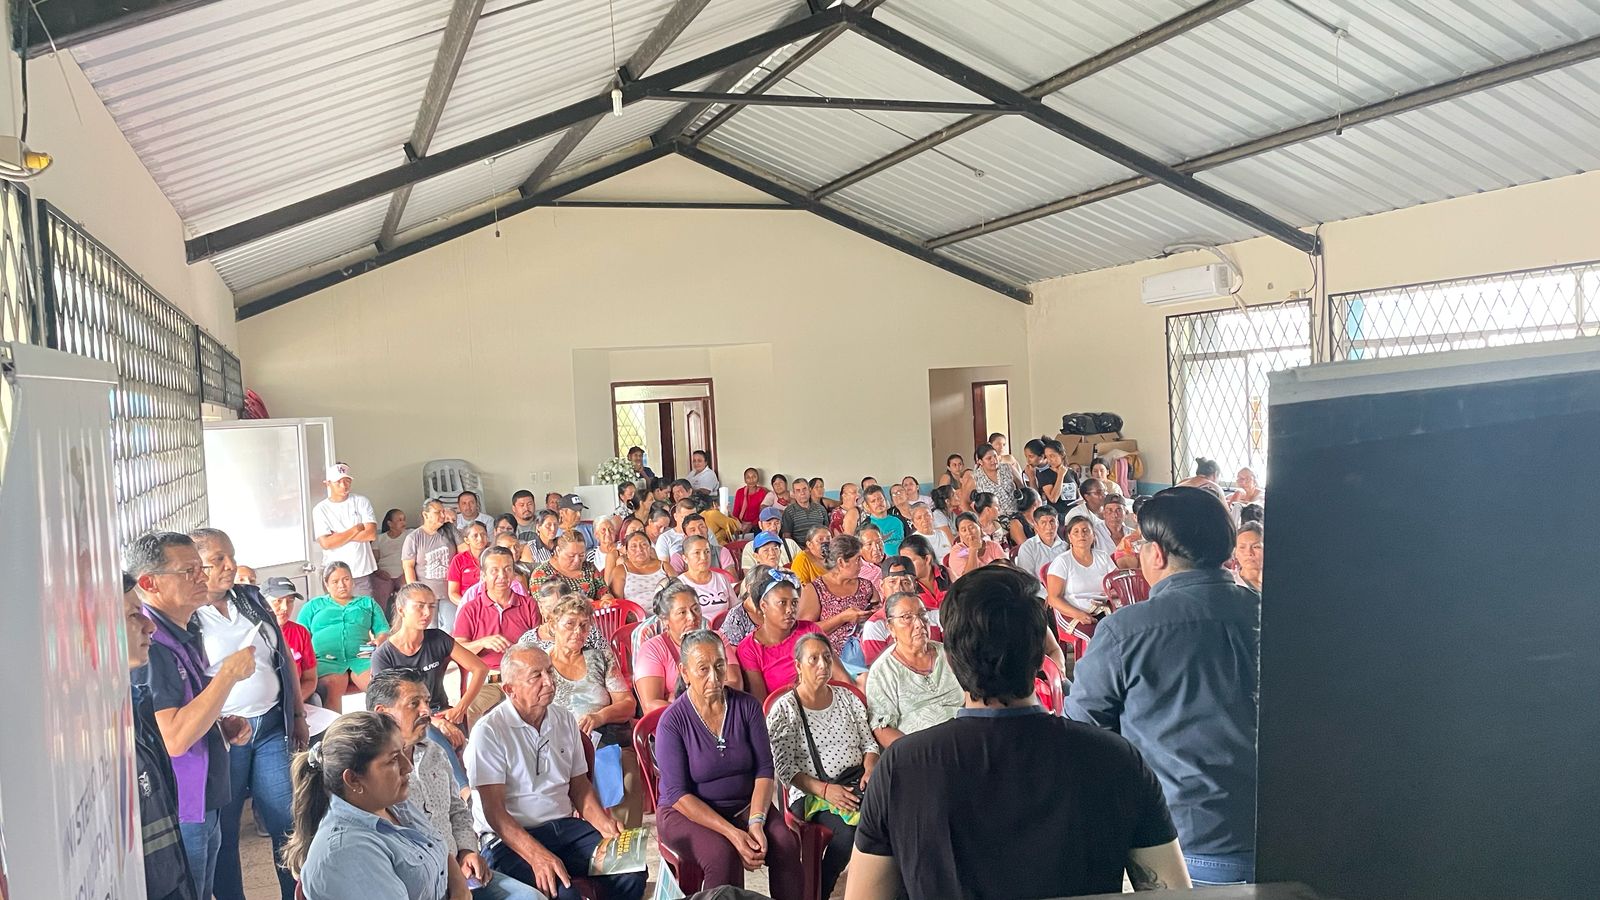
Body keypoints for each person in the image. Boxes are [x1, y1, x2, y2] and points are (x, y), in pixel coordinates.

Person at [846, 565, 1190, 900]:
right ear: (1041, 655)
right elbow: (1170, 889)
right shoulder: (1114, 757)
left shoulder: (901, 769)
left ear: (949, 659)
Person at [1066, 486, 1261, 886]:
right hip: (1282, 833)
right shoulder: (1270, 614)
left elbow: (1080, 735)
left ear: (1156, 554)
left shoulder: (1125, 631)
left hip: (1179, 845)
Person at [128, 532, 255, 899]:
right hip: (182, 804)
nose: (203, 577)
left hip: (206, 798)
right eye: (189, 571)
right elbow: (175, 737)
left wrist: (220, 725)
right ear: (149, 583)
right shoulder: (151, 647)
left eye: (202, 568)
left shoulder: (186, 629)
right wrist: (228, 675)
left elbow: (188, 711)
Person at [468, 645, 646, 900]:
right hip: (510, 840)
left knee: (631, 870)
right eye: (536, 676)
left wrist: (605, 825)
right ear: (510, 689)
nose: (549, 682)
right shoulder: (489, 732)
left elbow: (580, 787)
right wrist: (537, 856)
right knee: (562, 892)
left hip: (564, 827)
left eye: (550, 672)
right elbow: (494, 813)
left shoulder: (564, 719)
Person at [190, 528, 308, 900]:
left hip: (272, 726)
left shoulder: (250, 599)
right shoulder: (189, 616)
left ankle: (295, 894)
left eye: (231, 556)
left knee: (286, 823)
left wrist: (298, 713)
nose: (230, 565)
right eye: (218, 559)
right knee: (224, 833)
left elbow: (282, 655)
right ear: (195, 567)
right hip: (224, 737)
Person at [366, 670, 542, 900]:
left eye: (427, 702)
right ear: (383, 713)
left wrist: (468, 851)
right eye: (414, 703)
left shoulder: (435, 752)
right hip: (418, 886)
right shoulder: (370, 773)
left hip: (461, 870)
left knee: (531, 898)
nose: (426, 711)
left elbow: (457, 811)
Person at [655, 632, 803, 900]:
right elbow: (678, 794)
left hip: (743, 805)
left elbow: (764, 770)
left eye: (719, 666)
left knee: (785, 843)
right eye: (703, 669)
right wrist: (733, 834)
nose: (714, 677)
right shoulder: (672, 722)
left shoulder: (747, 707)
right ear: (685, 672)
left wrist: (756, 822)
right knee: (722, 854)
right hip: (686, 813)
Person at [281, 712, 467, 900]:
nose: (408, 766)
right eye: (393, 759)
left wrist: (460, 888)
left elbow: (436, 845)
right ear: (353, 779)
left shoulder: (392, 804)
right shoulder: (346, 852)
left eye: (403, 751)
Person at [766, 633, 879, 898]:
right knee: (849, 833)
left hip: (856, 783)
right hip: (812, 794)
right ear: (798, 666)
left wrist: (871, 768)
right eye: (813, 659)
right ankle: (818, 891)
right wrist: (826, 791)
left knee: (892, 816)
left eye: (827, 658)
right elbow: (785, 769)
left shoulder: (847, 698)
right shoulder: (786, 709)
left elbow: (869, 743)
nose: (822, 665)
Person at [519, 596, 642, 826]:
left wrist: (600, 716)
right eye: (570, 624)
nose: (578, 632)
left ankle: (624, 841)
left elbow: (627, 703)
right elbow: (527, 709)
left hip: (602, 740)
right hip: (554, 745)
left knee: (628, 779)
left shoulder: (600, 657)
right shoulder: (540, 665)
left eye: (584, 625)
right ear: (553, 625)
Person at [370, 583, 491, 784]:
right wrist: (433, 721)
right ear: (401, 609)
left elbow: (480, 668)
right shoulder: (383, 655)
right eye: (419, 606)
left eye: (431, 606)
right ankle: (464, 789)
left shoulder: (438, 639)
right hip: (404, 717)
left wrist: (461, 707)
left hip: (442, 711)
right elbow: (388, 704)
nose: (427, 613)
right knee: (432, 731)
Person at [126, 572, 200, 900]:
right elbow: (177, 738)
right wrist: (228, 675)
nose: (149, 626)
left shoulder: (133, 707)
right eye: (133, 615)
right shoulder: (91, 738)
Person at [864, 592, 962, 749]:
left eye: (922, 615)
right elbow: (882, 728)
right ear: (891, 628)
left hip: (967, 739)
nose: (919, 624)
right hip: (920, 752)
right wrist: (915, 754)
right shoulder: (882, 672)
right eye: (907, 617)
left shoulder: (951, 654)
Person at [452, 546, 538, 716]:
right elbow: (457, 650)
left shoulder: (529, 605)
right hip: (487, 679)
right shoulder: (470, 609)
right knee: (471, 708)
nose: (502, 576)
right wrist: (483, 642)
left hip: (522, 677)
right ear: (483, 575)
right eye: (494, 571)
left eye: (507, 569)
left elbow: (539, 645)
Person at [635, 581, 742, 714]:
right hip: (677, 722)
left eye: (695, 609)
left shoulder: (717, 639)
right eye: (682, 612)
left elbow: (735, 683)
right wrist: (698, 707)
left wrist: (682, 698)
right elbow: (650, 705)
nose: (692, 617)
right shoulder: (652, 649)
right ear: (665, 620)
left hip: (719, 715)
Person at [737, 570, 837, 702]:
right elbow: (762, 703)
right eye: (782, 603)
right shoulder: (750, 649)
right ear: (764, 606)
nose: (790, 610)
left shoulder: (811, 630)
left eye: (794, 603)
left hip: (827, 703)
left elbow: (841, 677)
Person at [299, 561, 391, 702]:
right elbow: (300, 635)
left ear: (352, 581)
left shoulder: (367, 603)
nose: (342, 585)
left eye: (346, 579)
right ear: (326, 584)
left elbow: (383, 629)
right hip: (325, 659)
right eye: (335, 581)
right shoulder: (313, 605)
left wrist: (379, 640)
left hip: (362, 656)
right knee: (330, 687)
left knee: (382, 690)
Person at [797, 534, 879, 675]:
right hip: (832, 659)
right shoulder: (816, 589)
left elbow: (877, 611)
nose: (861, 565)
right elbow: (805, 632)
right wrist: (843, 618)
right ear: (841, 562)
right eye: (857, 559)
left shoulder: (866, 586)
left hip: (868, 650)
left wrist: (874, 614)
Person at [313, 462, 379, 597]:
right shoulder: (320, 509)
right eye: (338, 482)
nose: (344, 485)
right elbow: (326, 543)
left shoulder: (361, 501)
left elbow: (371, 534)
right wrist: (355, 529)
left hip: (360, 572)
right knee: (337, 609)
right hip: (334, 574)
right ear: (328, 483)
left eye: (347, 481)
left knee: (362, 608)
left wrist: (337, 536)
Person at [1046, 513, 1119, 626]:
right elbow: (1053, 599)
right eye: (1076, 532)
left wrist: (1115, 592)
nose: (1081, 535)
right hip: (1074, 614)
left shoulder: (1103, 557)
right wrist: (1079, 615)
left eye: (1086, 531)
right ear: (1070, 537)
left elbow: (1118, 582)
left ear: (1093, 535)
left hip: (1104, 609)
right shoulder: (1062, 561)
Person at [404, 499, 462, 630]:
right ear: (425, 515)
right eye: (437, 512)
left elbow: (465, 553)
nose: (442, 515)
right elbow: (408, 567)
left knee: (452, 627)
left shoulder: (450, 530)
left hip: (450, 591)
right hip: (426, 593)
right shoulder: (414, 537)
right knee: (429, 629)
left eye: (443, 512)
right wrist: (415, 592)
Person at [262, 577, 320, 703]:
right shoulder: (254, 633)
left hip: (295, 700)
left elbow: (310, 679)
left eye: (290, 601)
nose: (284, 607)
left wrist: (294, 702)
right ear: (262, 602)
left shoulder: (300, 632)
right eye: (278, 601)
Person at [529, 531, 613, 605]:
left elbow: (603, 590)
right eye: (571, 556)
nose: (577, 560)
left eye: (581, 555)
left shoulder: (589, 568)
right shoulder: (542, 573)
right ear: (558, 551)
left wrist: (606, 597)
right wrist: (581, 604)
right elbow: (544, 605)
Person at [675, 534, 737, 619]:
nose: (704, 557)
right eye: (697, 553)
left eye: (707, 551)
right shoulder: (679, 584)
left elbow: (735, 608)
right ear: (685, 558)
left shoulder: (721, 579)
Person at [1014, 505, 1068, 587]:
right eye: (1043, 523)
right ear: (1036, 525)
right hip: (1039, 591)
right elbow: (1027, 580)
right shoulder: (1028, 548)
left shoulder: (1066, 547)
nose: (1049, 527)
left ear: (1057, 523)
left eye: (1052, 522)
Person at [609, 529, 671, 601]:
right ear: (627, 552)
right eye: (633, 546)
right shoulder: (620, 571)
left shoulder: (664, 566)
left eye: (644, 545)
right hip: (633, 608)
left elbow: (678, 590)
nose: (639, 549)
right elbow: (618, 602)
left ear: (650, 548)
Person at [970, 443, 1019, 526]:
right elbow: (964, 502)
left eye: (995, 456)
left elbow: (1022, 488)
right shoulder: (975, 477)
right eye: (989, 458)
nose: (994, 460)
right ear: (980, 461)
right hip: (994, 523)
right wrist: (978, 521)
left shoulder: (1007, 468)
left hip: (1016, 516)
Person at [1063, 477, 1117, 550]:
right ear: (1087, 497)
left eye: (1104, 491)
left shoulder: (1111, 510)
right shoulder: (1076, 513)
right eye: (1098, 492)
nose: (1104, 495)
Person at [375, 508, 411, 614]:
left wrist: (406, 573)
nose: (403, 522)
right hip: (384, 574)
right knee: (380, 594)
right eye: (399, 520)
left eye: (404, 519)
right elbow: (374, 560)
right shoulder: (379, 539)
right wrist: (379, 572)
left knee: (408, 594)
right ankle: (381, 621)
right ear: (390, 523)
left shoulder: (410, 535)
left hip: (403, 573)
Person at [897, 535, 949, 609]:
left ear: (927, 559)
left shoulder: (947, 575)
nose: (907, 566)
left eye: (911, 561)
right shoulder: (906, 588)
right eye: (904, 562)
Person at [449, 522, 492, 610]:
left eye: (483, 534)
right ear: (467, 540)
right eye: (475, 535)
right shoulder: (458, 560)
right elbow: (453, 593)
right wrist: (468, 604)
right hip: (467, 606)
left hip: (491, 606)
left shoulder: (494, 557)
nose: (480, 538)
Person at [946, 512, 1003, 579]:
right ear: (959, 534)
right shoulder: (957, 552)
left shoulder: (993, 546)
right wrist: (973, 550)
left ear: (980, 527)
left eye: (972, 528)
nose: (969, 533)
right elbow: (968, 578)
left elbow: (1005, 568)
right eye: (964, 530)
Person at [779, 476, 829, 543]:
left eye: (804, 489)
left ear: (809, 490)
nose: (802, 493)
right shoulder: (789, 511)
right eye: (798, 490)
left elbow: (827, 531)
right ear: (794, 494)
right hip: (799, 548)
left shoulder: (821, 509)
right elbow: (787, 536)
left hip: (820, 546)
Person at [860, 486, 905, 555]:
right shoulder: (866, 526)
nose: (878, 503)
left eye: (880, 499)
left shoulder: (899, 520)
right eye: (873, 501)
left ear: (886, 500)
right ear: (867, 506)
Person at [731, 468, 769, 532]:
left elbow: (762, 513)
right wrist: (737, 525)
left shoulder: (762, 492)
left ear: (758, 478)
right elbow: (735, 512)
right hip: (740, 525)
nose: (751, 480)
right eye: (748, 477)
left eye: (754, 477)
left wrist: (752, 525)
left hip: (756, 526)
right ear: (745, 480)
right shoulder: (740, 492)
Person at [926, 484, 961, 550]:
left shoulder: (952, 513)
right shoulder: (937, 515)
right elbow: (951, 542)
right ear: (947, 501)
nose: (958, 496)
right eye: (954, 495)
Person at [853, 522, 886, 590]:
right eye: (869, 544)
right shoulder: (856, 572)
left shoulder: (894, 563)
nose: (876, 548)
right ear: (859, 549)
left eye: (879, 542)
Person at [1234, 521, 1264, 592]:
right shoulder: (1230, 585)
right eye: (1242, 547)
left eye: (1256, 547)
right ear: (1235, 553)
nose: (1249, 553)